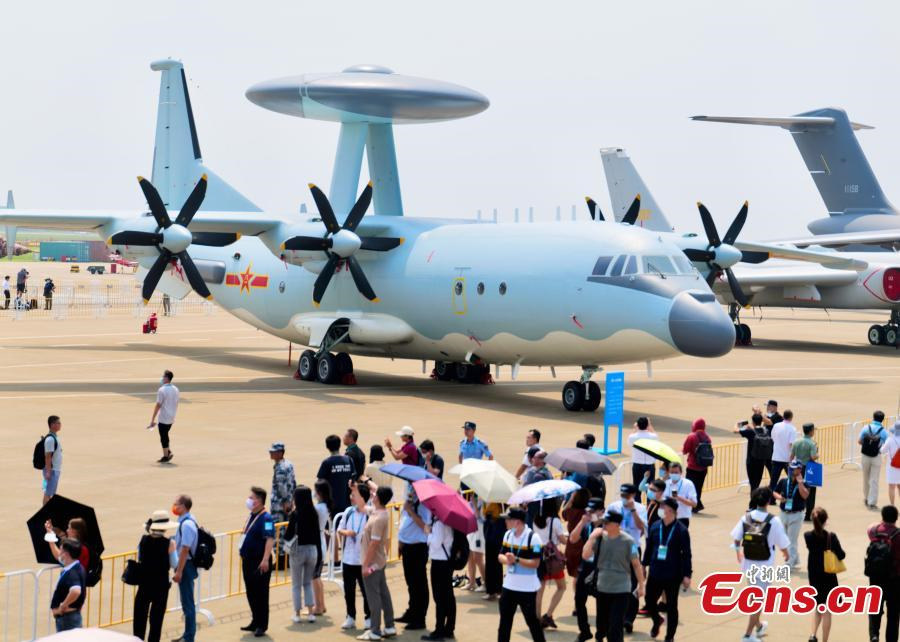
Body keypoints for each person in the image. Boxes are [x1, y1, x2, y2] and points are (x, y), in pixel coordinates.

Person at [730, 487, 789, 642]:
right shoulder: (774, 521)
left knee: (754, 597)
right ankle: (747, 635)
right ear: (769, 501)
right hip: (765, 566)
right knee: (757, 601)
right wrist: (786, 555)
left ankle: (759, 626)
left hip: (748, 564)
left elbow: (736, 539)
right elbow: (783, 544)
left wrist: (738, 553)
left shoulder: (746, 518)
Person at [584, 509, 645, 642]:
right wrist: (592, 537)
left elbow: (636, 564)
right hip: (602, 588)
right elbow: (585, 555)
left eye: (607, 522)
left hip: (621, 590)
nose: (604, 525)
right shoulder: (600, 539)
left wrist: (641, 586)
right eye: (604, 522)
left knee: (615, 626)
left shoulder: (629, 541)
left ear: (617, 524)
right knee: (602, 626)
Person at [642, 498, 692, 642]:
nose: (660, 509)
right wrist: (644, 565)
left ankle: (670, 636)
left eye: (663, 507)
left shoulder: (681, 530)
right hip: (655, 571)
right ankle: (657, 620)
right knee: (649, 601)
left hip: (672, 574)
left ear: (670, 510)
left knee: (671, 606)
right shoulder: (655, 526)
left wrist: (687, 575)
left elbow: (686, 554)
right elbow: (649, 547)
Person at [497, 507, 546, 642]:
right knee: (504, 624)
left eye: (508, 519)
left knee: (532, 622)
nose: (505, 522)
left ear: (517, 522)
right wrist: (507, 560)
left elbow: (536, 563)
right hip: (508, 587)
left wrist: (516, 560)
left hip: (527, 589)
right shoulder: (508, 535)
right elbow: (500, 556)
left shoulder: (534, 538)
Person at [606, 484, 647, 632]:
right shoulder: (614, 507)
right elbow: (605, 525)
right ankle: (616, 616)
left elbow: (641, 527)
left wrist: (633, 510)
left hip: (632, 548)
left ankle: (629, 619)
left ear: (633, 495)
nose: (624, 498)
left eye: (627, 496)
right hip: (615, 548)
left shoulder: (640, 508)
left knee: (633, 584)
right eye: (622, 495)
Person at [359, 485, 397, 641]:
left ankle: (375, 630)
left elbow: (374, 544)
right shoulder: (378, 512)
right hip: (378, 562)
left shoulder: (380, 518)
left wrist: (365, 565)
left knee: (373, 597)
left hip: (373, 564)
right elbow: (362, 507)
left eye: (375, 494)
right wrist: (354, 489)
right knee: (383, 594)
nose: (372, 494)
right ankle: (389, 626)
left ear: (379, 498)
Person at [133, 511, 177, 642]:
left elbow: (140, 557)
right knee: (156, 620)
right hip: (160, 584)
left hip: (144, 582)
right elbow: (174, 563)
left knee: (140, 617)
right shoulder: (170, 543)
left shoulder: (144, 540)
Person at [239, 486, 275, 638]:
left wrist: (265, 559)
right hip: (248, 560)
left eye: (252, 498)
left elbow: (270, 538)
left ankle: (262, 624)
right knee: (251, 592)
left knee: (261, 593)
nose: (249, 500)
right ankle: (255, 621)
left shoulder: (266, 518)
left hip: (259, 561)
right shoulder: (252, 515)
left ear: (259, 501)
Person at [804, 508, 845, 642]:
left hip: (814, 575)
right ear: (826, 520)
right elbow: (841, 555)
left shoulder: (807, 536)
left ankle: (812, 634)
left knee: (817, 606)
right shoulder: (831, 537)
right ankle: (824, 640)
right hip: (828, 575)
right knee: (827, 609)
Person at [285, 486, 322, 624]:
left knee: (296, 584)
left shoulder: (295, 514)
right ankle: (311, 613)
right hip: (312, 550)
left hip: (298, 550)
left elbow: (288, 534)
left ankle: (297, 613)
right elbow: (317, 535)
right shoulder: (314, 513)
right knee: (307, 583)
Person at [396, 486, 431, 631]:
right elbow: (404, 521)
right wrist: (400, 542)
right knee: (411, 582)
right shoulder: (410, 501)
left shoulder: (424, 503)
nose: (409, 490)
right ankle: (411, 612)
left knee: (419, 584)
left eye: (411, 487)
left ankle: (419, 618)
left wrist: (410, 511)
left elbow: (425, 526)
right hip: (407, 545)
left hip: (418, 546)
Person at [569, 497, 603, 642]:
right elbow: (572, 539)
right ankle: (584, 631)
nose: (590, 514)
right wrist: (582, 522)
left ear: (601, 511)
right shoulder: (586, 525)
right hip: (585, 567)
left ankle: (600, 634)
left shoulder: (608, 527)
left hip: (601, 569)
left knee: (601, 603)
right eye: (588, 511)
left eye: (593, 511)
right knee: (579, 599)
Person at [338, 481, 371, 631]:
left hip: (364, 560)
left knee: (366, 591)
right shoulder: (348, 511)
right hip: (348, 559)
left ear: (363, 498)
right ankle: (350, 616)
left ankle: (369, 617)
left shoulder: (370, 514)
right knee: (349, 590)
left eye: (354, 495)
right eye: (351, 495)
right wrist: (347, 533)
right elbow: (340, 529)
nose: (351, 497)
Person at [532, 498, 567, 629]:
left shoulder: (536, 519)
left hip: (538, 554)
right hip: (551, 557)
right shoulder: (555, 521)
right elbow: (562, 540)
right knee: (561, 587)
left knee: (539, 591)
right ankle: (548, 614)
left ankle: (536, 619)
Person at [867, 504, 900, 642]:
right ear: (896, 518)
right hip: (894, 578)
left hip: (875, 577)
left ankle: (874, 635)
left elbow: (870, 527)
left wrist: (881, 522)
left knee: (874, 609)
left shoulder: (874, 531)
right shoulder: (898, 534)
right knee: (893, 614)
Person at [423, 514, 455, 641]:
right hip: (444, 562)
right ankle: (448, 628)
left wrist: (428, 533)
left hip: (440, 563)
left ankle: (440, 630)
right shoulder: (444, 522)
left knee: (440, 597)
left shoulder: (439, 523)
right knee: (447, 597)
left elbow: (436, 543)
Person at [773, 459, 810, 568]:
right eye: (790, 468)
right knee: (785, 539)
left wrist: (800, 483)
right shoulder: (784, 481)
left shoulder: (805, 483)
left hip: (796, 515)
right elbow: (774, 492)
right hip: (784, 513)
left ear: (799, 470)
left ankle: (789, 562)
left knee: (791, 540)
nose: (791, 470)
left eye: (793, 469)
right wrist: (780, 498)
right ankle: (795, 558)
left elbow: (805, 496)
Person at [172, 494, 198, 642]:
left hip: (185, 566)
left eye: (176, 504)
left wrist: (179, 571)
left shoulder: (187, 524)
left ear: (183, 506)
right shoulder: (186, 520)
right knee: (186, 602)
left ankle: (189, 637)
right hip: (185, 565)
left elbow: (185, 549)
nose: (174, 507)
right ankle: (187, 634)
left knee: (188, 604)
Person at [50, 539, 86, 632]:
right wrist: (51, 539)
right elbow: (57, 556)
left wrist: (63, 606)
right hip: (70, 617)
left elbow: (76, 591)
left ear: (66, 554)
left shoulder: (72, 572)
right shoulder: (75, 566)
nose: (59, 553)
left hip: (68, 619)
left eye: (61, 550)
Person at [734, 412, 772, 495]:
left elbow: (735, 430)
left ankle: (753, 501)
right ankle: (756, 499)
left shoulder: (750, 432)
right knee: (757, 482)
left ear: (753, 422)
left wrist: (737, 424)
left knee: (752, 484)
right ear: (761, 421)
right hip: (761, 460)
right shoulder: (766, 431)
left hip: (751, 461)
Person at [318, 434, 355, 515]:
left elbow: (320, 483)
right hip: (348, 503)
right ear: (340, 445)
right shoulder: (349, 460)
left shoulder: (327, 463)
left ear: (327, 447)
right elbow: (353, 479)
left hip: (332, 505)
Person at [681, 418, 711, 513]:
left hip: (693, 467)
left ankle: (693, 505)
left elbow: (685, 450)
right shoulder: (707, 437)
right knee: (698, 487)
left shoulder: (692, 436)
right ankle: (696, 505)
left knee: (689, 487)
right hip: (703, 467)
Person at [148, 370, 178, 464]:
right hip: (172, 416)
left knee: (163, 437)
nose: (162, 378)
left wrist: (153, 419)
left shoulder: (162, 390)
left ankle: (166, 456)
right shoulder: (175, 389)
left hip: (164, 417)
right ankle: (168, 452)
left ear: (167, 378)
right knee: (165, 434)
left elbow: (158, 405)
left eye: (163, 376)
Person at [791, 422, 819, 521]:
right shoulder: (812, 443)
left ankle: (795, 510)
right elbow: (813, 457)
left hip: (798, 468)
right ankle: (808, 514)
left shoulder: (796, 442)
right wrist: (817, 455)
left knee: (796, 489)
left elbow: (791, 456)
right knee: (810, 492)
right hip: (809, 468)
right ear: (811, 431)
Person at [861, 411, 888, 509]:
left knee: (865, 478)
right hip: (876, 456)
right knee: (874, 480)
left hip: (865, 456)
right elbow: (885, 445)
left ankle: (866, 498)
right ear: (882, 419)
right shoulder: (884, 432)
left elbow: (859, 441)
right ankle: (872, 502)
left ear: (873, 417)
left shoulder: (865, 428)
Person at [312, 480, 332, 615]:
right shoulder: (325, 506)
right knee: (316, 577)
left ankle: (318, 606)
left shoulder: (319, 508)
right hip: (321, 541)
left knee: (314, 577)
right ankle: (321, 604)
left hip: (317, 543)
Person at [628, 417, 659, 495]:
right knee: (650, 488)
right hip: (649, 465)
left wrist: (635, 429)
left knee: (636, 487)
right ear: (647, 425)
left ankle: (637, 501)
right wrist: (650, 425)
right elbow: (656, 437)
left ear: (638, 425)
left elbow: (630, 443)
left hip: (637, 465)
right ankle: (649, 502)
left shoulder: (632, 437)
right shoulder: (653, 436)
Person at [269, 441, 296, 529]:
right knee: (286, 526)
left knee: (275, 527)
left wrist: (285, 502)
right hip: (288, 504)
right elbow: (293, 483)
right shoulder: (289, 464)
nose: (270, 453)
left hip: (279, 505)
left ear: (280, 453)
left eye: (273, 452)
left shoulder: (280, 468)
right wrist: (291, 501)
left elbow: (282, 487)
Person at [482, 502, 506, 601]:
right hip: (489, 527)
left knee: (497, 562)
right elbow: (483, 514)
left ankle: (498, 590)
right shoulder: (486, 500)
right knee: (489, 562)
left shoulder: (501, 501)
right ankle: (491, 591)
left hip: (498, 526)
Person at [769, 409, 797, 493]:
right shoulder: (792, 429)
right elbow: (791, 444)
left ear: (783, 416)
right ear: (791, 417)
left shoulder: (776, 426)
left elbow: (773, 438)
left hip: (776, 457)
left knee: (773, 481)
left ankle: (771, 498)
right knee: (792, 480)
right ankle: (792, 496)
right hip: (787, 459)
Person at [663, 463, 697, 528]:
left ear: (681, 472)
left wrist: (679, 498)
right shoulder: (666, 483)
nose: (674, 474)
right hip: (667, 518)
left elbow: (694, 504)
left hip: (682, 518)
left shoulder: (688, 484)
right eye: (672, 472)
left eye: (676, 472)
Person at [465, 494, 486, 592]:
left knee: (478, 558)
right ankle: (472, 582)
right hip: (470, 532)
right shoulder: (470, 503)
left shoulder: (484, 502)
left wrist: (474, 503)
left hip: (480, 533)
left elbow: (479, 517)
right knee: (470, 557)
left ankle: (486, 583)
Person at [41, 415, 63, 505]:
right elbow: (48, 456)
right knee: (47, 494)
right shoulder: (50, 439)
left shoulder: (54, 437)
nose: (60, 424)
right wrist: (48, 472)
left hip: (54, 470)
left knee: (49, 494)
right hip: (51, 471)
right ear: (52, 425)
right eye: (58, 423)